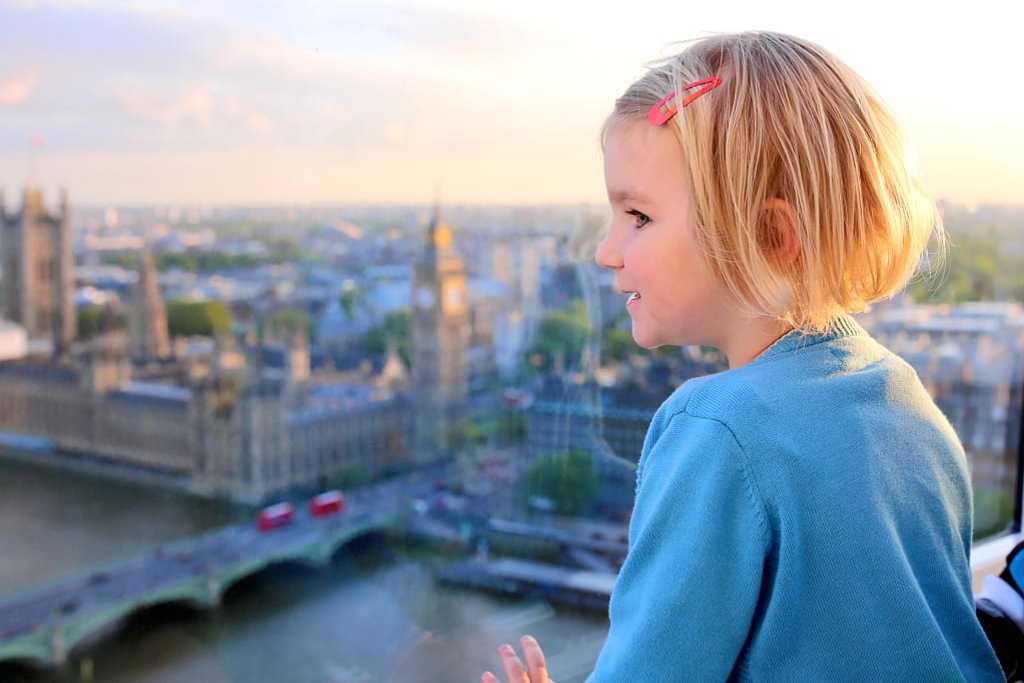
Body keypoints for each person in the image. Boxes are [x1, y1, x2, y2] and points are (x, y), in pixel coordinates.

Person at [481, 30, 1007, 682]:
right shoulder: (905, 398)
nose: (606, 250)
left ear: (771, 234)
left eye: (638, 216)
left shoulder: (717, 429)